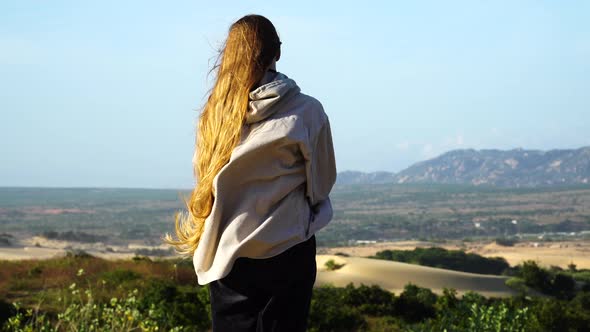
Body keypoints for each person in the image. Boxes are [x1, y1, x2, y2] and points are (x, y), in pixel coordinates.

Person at [165, 14, 337, 332]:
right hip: (288, 248)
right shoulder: (306, 111)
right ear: (278, 53)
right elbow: (321, 184)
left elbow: (205, 177)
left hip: (228, 254)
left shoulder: (214, 115)